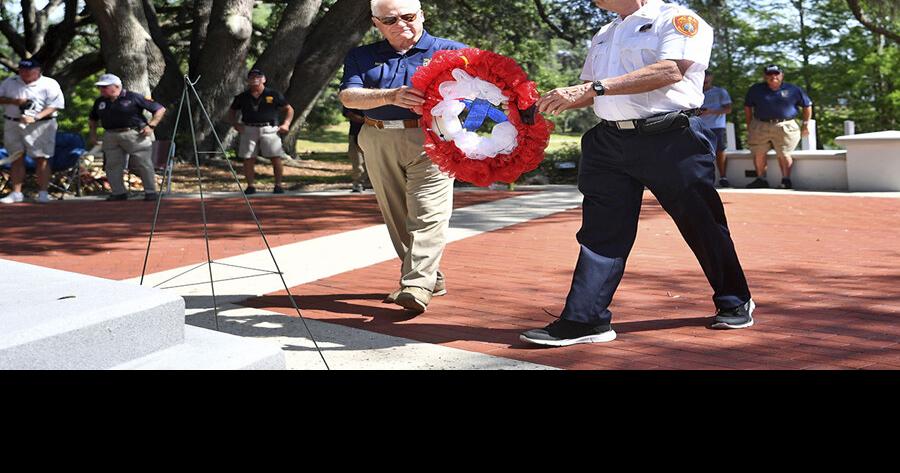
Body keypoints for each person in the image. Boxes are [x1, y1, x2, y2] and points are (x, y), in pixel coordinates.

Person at [520, 0, 754, 347]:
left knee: (700, 222)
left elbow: (671, 70)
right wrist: (553, 100)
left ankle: (735, 299)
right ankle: (585, 319)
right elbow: (590, 90)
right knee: (601, 231)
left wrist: (596, 88)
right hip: (609, 141)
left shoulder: (677, 19)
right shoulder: (606, 32)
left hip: (672, 139)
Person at [339, 0, 465, 313]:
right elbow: (348, 96)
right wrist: (390, 96)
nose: (401, 25)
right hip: (377, 136)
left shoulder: (453, 51)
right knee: (396, 215)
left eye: (409, 17)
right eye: (390, 20)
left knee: (429, 212)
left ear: (422, 14)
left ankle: (416, 284)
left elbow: (485, 94)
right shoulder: (361, 56)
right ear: (375, 23)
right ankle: (429, 275)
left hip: (432, 137)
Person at [88, 73, 166, 201]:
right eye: (100, 87)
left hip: (134, 134)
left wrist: (151, 125)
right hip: (110, 135)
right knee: (112, 165)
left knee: (143, 162)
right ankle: (118, 192)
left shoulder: (133, 97)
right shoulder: (100, 101)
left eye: (105, 87)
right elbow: (92, 119)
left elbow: (159, 109)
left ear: (117, 86)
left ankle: (150, 191)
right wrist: (93, 135)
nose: (101, 90)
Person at [0, 59, 65, 204]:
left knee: (41, 157)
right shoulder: (10, 82)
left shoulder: (49, 84)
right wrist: (14, 101)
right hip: (13, 122)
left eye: (28, 70)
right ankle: (16, 193)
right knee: (15, 157)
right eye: (22, 70)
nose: (24, 73)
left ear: (38, 70)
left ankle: (43, 192)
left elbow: (56, 105)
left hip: (41, 124)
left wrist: (36, 117)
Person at [744, 64, 812, 189]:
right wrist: (749, 124)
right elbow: (747, 106)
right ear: (765, 76)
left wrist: (806, 124)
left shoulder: (793, 89)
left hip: (785, 125)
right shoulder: (756, 89)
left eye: (776, 73)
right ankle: (761, 179)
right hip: (760, 125)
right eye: (769, 74)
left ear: (782, 75)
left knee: (784, 153)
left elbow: (807, 105)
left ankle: (786, 180)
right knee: (758, 152)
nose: (773, 76)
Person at [228, 69, 294, 195]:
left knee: (275, 157)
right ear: (248, 81)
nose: (255, 79)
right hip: (249, 128)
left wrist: (286, 124)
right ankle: (250, 186)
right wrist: (235, 124)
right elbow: (232, 111)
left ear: (263, 79)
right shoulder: (242, 97)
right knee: (248, 158)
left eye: (258, 77)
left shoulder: (273, 94)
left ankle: (278, 185)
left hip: (269, 129)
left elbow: (289, 109)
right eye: (252, 77)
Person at [699, 71, 732, 187]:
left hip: (717, 127)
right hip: (699, 127)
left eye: (707, 76)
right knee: (701, 153)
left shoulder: (720, 92)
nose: (705, 79)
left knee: (720, 151)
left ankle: (723, 177)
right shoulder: (695, 92)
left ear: (712, 77)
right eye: (703, 76)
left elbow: (728, 109)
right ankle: (704, 179)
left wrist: (711, 111)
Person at [343, 106, 370, 193]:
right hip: (356, 132)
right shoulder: (350, 94)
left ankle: (370, 182)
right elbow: (349, 113)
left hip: (374, 132)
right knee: (357, 159)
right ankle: (358, 183)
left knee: (373, 158)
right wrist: (366, 120)